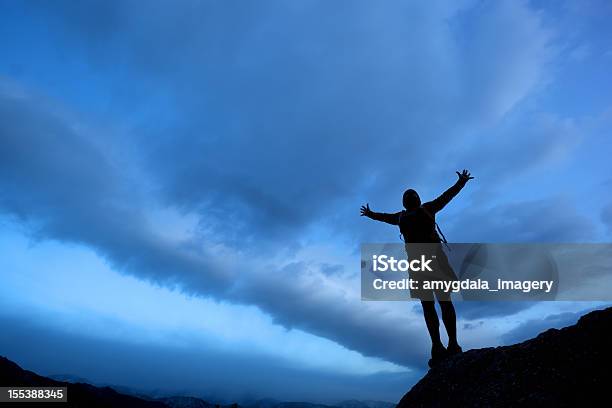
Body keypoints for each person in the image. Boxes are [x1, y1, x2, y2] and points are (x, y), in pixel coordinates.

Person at [360, 170, 474, 368]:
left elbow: (447, 196)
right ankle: (442, 345)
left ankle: (445, 344)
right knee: (437, 304)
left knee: (435, 304)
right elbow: (447, 196)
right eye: (410, 196)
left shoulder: (414, 213)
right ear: (410, 202)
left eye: (412, 196)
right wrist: (371, 214)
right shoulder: (416, 212)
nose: (412, 198)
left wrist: (461, 183)